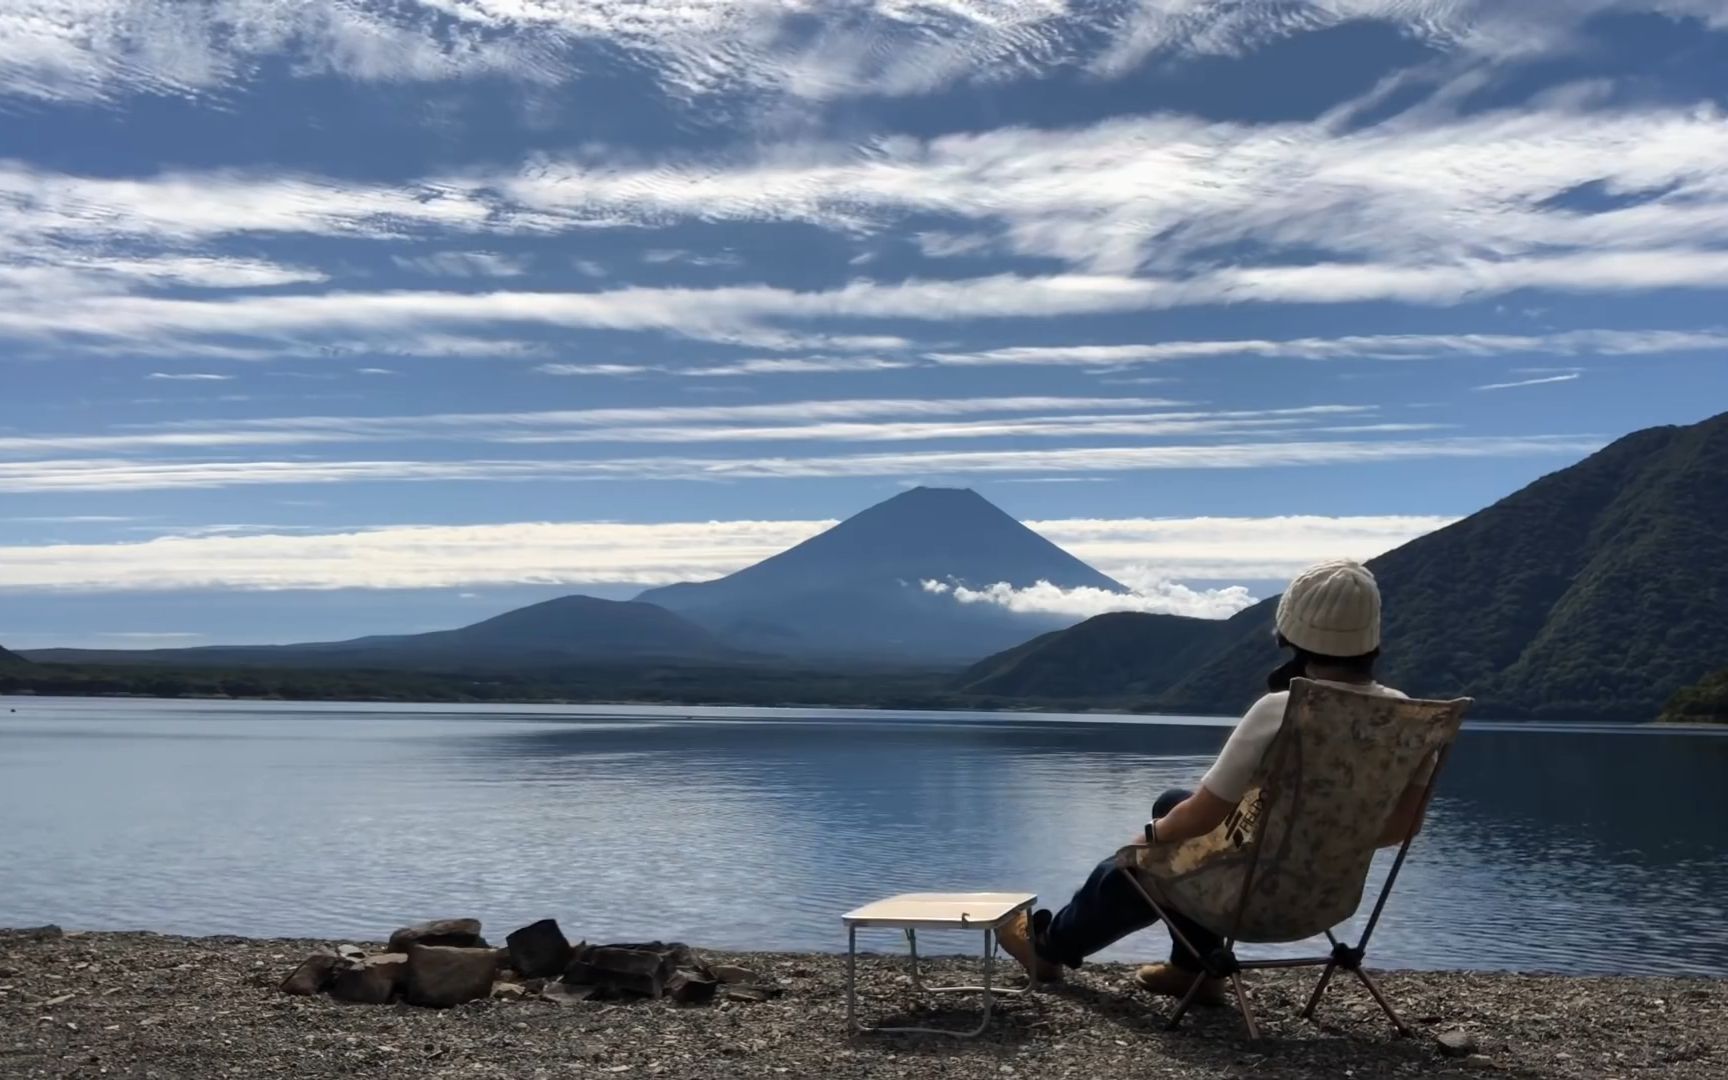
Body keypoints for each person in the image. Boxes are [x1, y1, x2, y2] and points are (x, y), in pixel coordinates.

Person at [997, 559, 1438, 1004]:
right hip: (1329, 900)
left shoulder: (1284, 708)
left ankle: (1046, 949)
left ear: (1293, 634)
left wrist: (1143, 841)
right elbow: (1404, 827)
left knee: (1126, 868)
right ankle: (1194, 970)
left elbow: (1207, 812)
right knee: (1173, 802)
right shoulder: (1410, 719)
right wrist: (1315, 844)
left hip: (1247, 901)